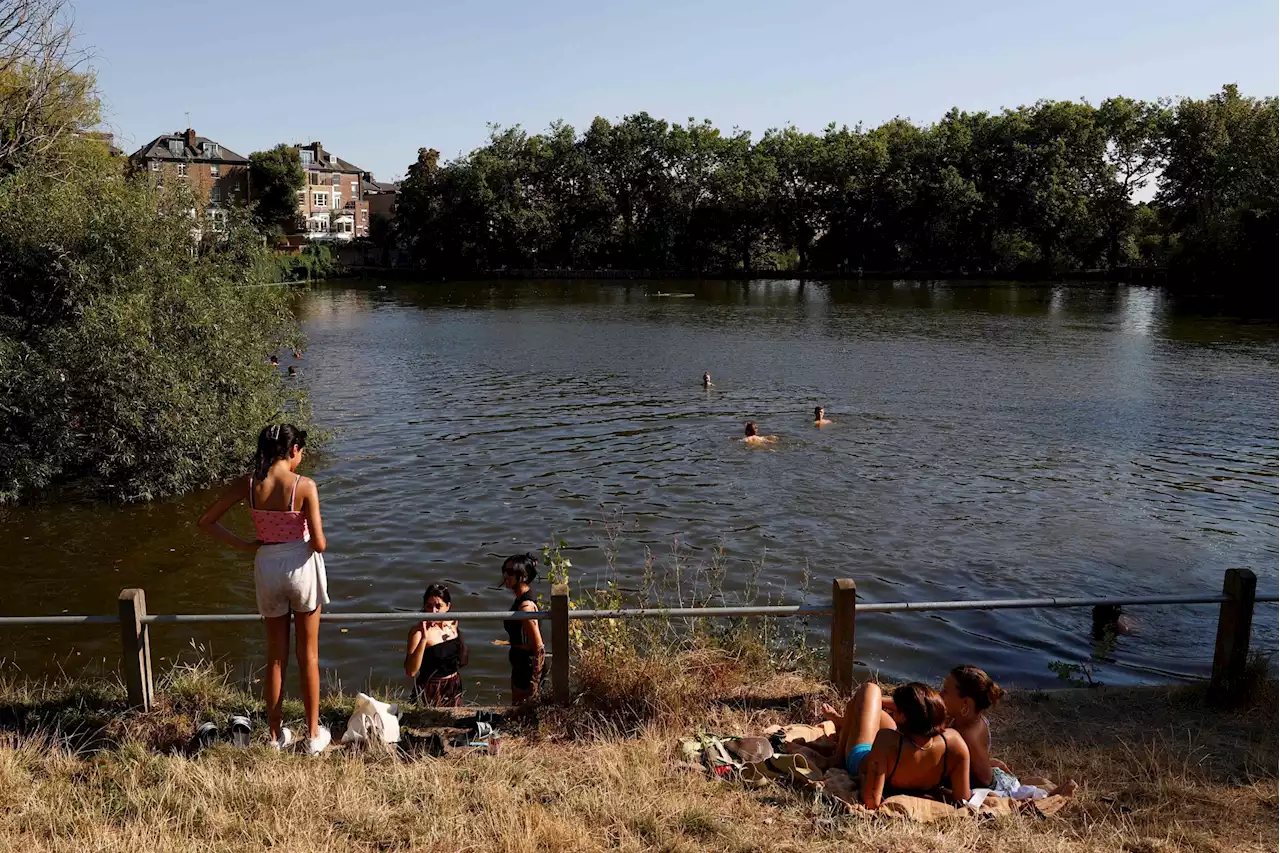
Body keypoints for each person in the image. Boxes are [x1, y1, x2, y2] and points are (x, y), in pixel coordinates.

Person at [197, 423, 331, 755]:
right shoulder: (304, 486)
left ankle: (274, 737)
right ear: (294, 450)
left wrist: (245, 546)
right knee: (308, 655)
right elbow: (320, 543)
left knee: (275, 656)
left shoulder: (249, 484)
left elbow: (207, 521)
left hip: (267, 565)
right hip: (301, 567)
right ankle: (313, 736)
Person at [835, 682, 972, 810]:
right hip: (902, 754)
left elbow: (871, 801)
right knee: (877, 713)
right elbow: (963, 799)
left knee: (870, 689)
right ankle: (845, 720)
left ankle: (836, 756)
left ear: (903, 717)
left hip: (863, 761)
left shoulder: (886, 740)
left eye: (897, 710)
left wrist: (865, 778)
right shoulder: (954, 743)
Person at [940, 665, 1006, 787]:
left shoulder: (965, 738)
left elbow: (984, 781)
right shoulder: (971, 719)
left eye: (945, 691)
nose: (940, 694)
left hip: (980, 788)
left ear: (965, 703)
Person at [404, 583, 469, 706]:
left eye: (438, 606)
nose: (433, 612)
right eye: (429, 606)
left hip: (453, 684)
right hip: (431, 687)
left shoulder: (452, 624)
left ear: (448, 606)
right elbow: (410, 671)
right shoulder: (418, 632)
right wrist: (424, 639)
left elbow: (462, 659)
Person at [501, 553, 544, 705]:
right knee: (519, 709)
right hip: (520, 661)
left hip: (527, 664)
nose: (506, 575)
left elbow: (538, 645)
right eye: (504, 570)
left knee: (524, 710)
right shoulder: (520, 599)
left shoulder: (525, 606)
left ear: (524, 576)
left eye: (511, 572)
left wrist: (534, 679)